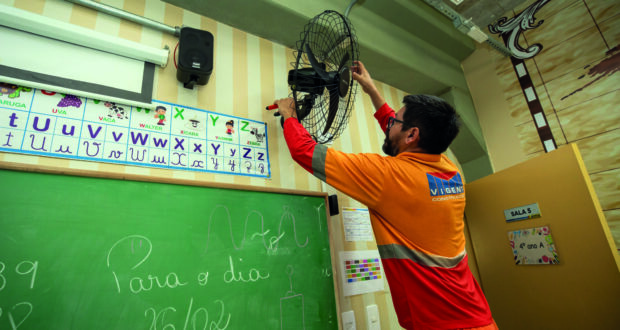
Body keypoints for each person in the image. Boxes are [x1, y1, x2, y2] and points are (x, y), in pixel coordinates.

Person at [273, 61, 496, 330]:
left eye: (396, 122)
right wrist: (371, 90)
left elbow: (306, 152)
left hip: (443, 325)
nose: (390, 124)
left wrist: (289, 115)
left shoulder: (389, 177)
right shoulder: (449, 171)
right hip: (478, 317)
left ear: (412, 134)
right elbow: (399, 134)